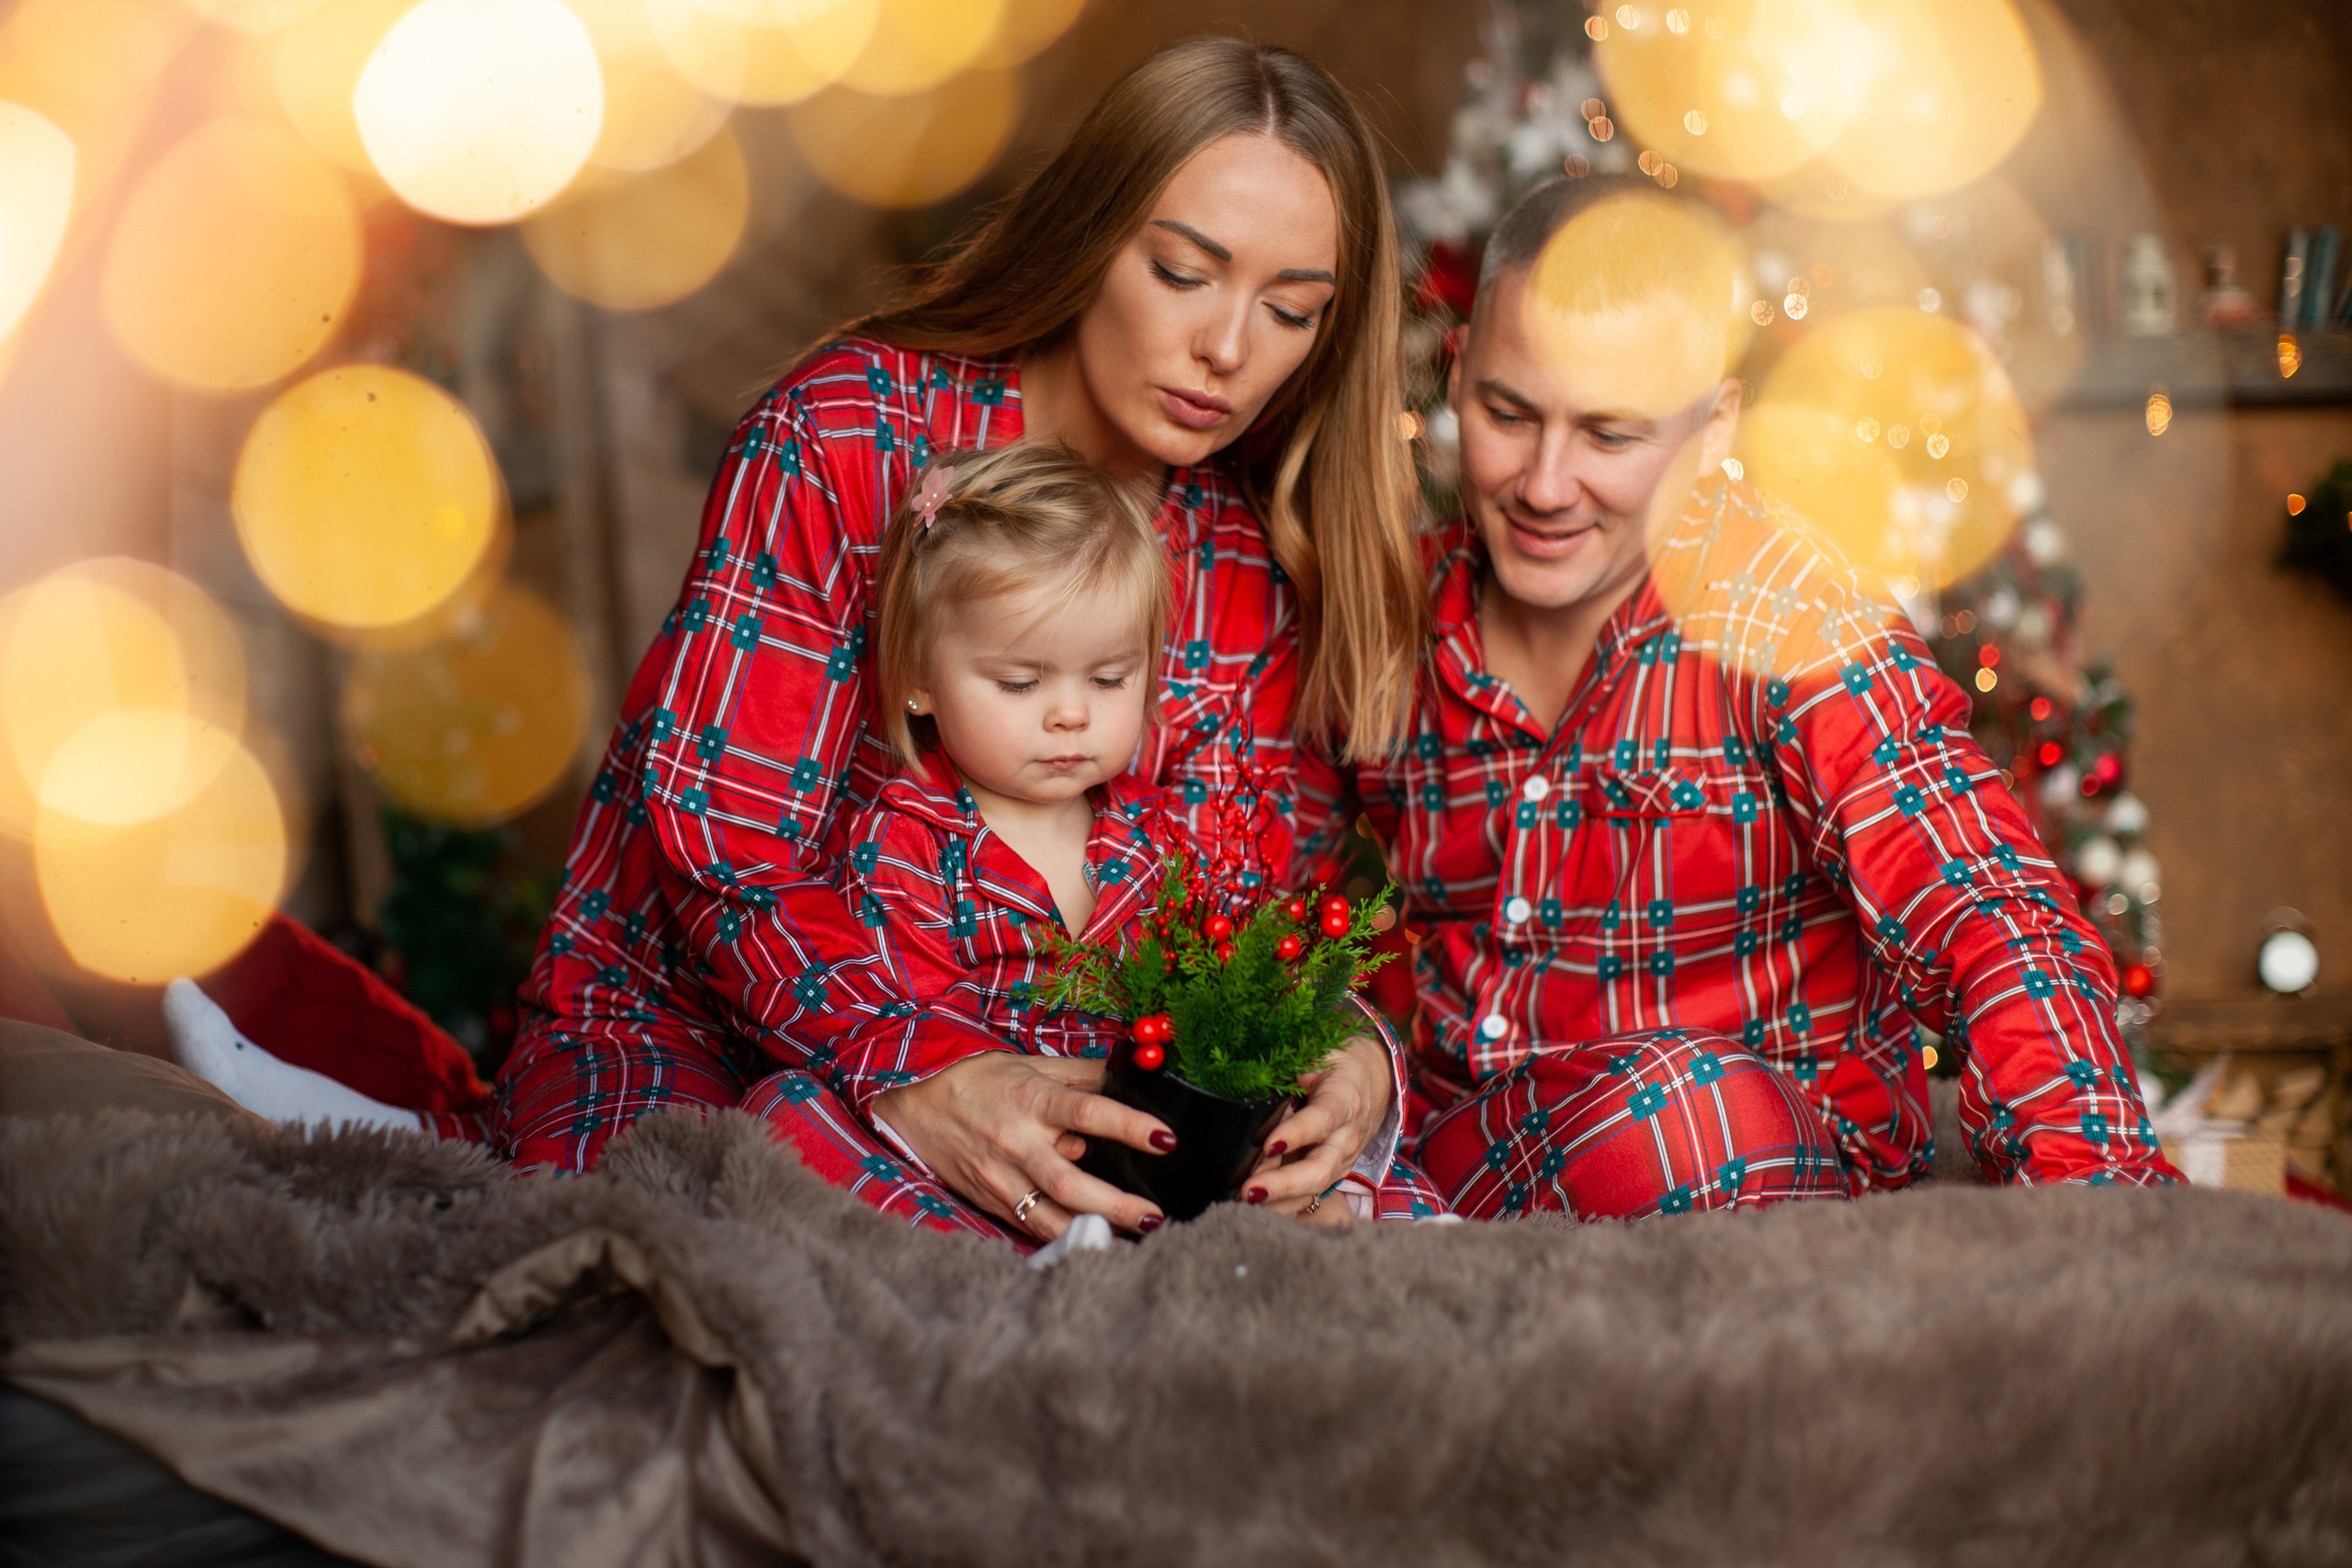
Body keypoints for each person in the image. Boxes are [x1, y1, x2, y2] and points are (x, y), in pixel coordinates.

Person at [491, 37, 1433, 1244]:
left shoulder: (1245, 558)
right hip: (702, 1026)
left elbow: (1262, 916)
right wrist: (918, 1073)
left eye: (1293, 310)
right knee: (694, 1238)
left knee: (1323, 1252)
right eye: (1185, 273)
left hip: (1055, 1072)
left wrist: (1347, 1049)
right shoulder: (845, 433)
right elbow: (727, 852)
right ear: (1092, 233)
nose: (1231, 352)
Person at [1298, 174, 2177, 1220]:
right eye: (1506, 412)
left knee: (1691, 1114)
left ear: (1713, 430)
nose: (1541, 483)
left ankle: (1404, 1226)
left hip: (1745, 1184)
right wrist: (1346, 1053)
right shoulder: (1387, 624)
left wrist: (2104, 1214)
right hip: (1467, 1158)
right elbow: (1262, 894)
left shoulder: (1791, 625)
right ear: (1460, 373)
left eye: (1610, 435)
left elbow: (1988, 911)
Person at [789, 441, 1442, 1243]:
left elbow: (1248, 971)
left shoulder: (1161, 832)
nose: (1072, 714)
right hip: (1002, 1168)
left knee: (1369, 1189)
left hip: (1164, 1153)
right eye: (1021, 682)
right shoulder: (903, 845)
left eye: (1109, 679)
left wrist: (1296, 1057)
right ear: (917, 679)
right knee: (801, 1129)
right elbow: (906, 1042)